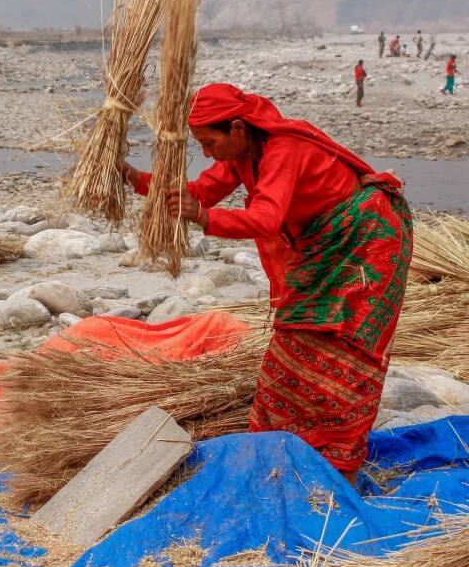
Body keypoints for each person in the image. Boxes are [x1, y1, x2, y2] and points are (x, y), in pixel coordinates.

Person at [122, 83, 412, 485]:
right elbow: (200, 190)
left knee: (346, 345)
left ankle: (338, 466)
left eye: (210, 143)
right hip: (321, 247)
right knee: (294, 342)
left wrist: (205, 219)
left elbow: (265, 218)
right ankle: (290, 454)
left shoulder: (283, 151)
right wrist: (133, 178)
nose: (206, 153)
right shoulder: (245, 153)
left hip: (363, 244)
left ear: (238, 127)